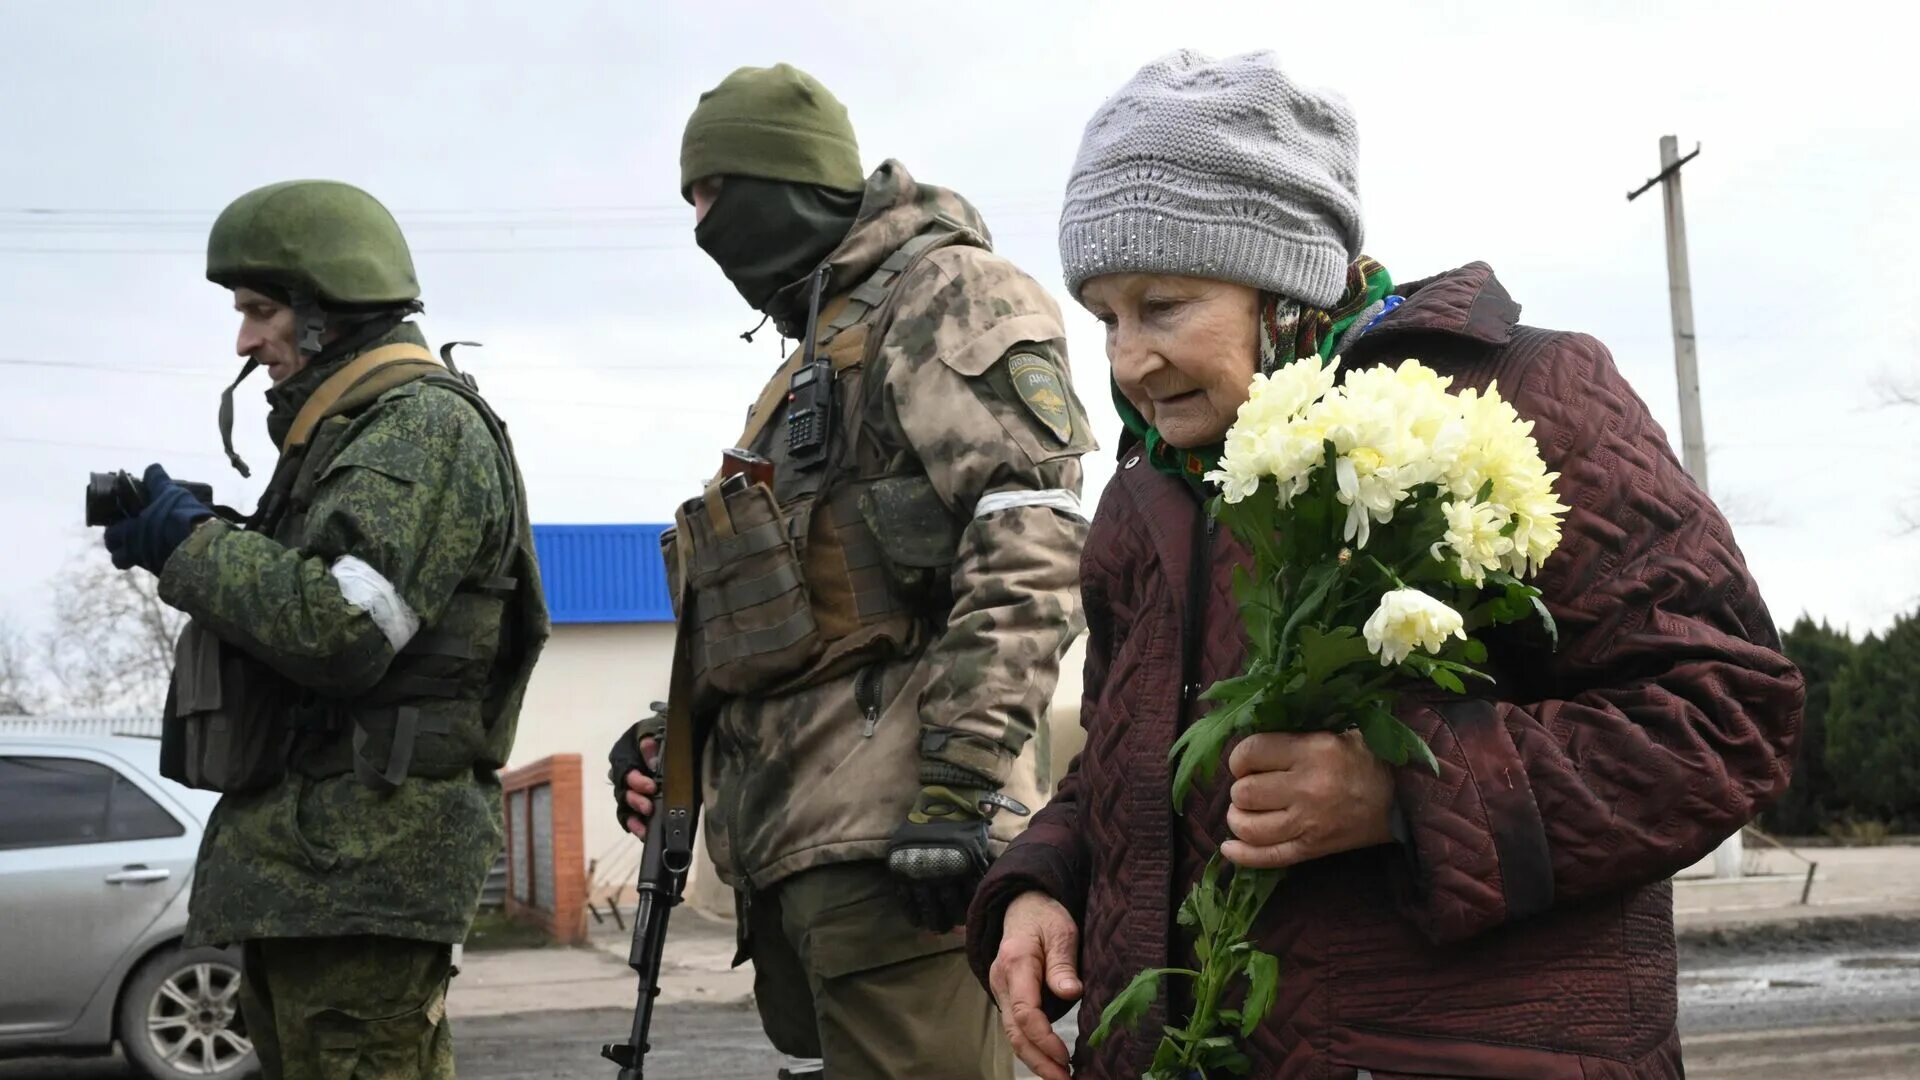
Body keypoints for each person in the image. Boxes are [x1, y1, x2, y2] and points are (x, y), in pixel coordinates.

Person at [966, 50, 1805, 1080]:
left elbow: (1727, 713)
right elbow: (1126, 756)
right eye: (1106, 316)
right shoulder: (1150, 490)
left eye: (1166, 305)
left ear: (1283, 285)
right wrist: (1045, 881)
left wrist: (1404, 791)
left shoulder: (1520, 396)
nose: (1128, 360)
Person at [607, 64, 1094, 1080]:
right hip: (811, 841)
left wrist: (958, 786)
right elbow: (800, 610)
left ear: (786, 183)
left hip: (901, 838)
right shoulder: (814, 359)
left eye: (713, 194)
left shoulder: (948, 294)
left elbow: (1030, 541)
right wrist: (673, 740)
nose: (701, 226)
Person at [101, 179, 548, 1080]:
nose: (245, 340)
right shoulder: (351, 435)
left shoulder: (418, 427)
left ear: (326, 308)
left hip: (364, 865)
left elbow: (342, 627)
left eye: (261, 311)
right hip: (318, 869)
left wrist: (190, 548)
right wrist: (219, 537)